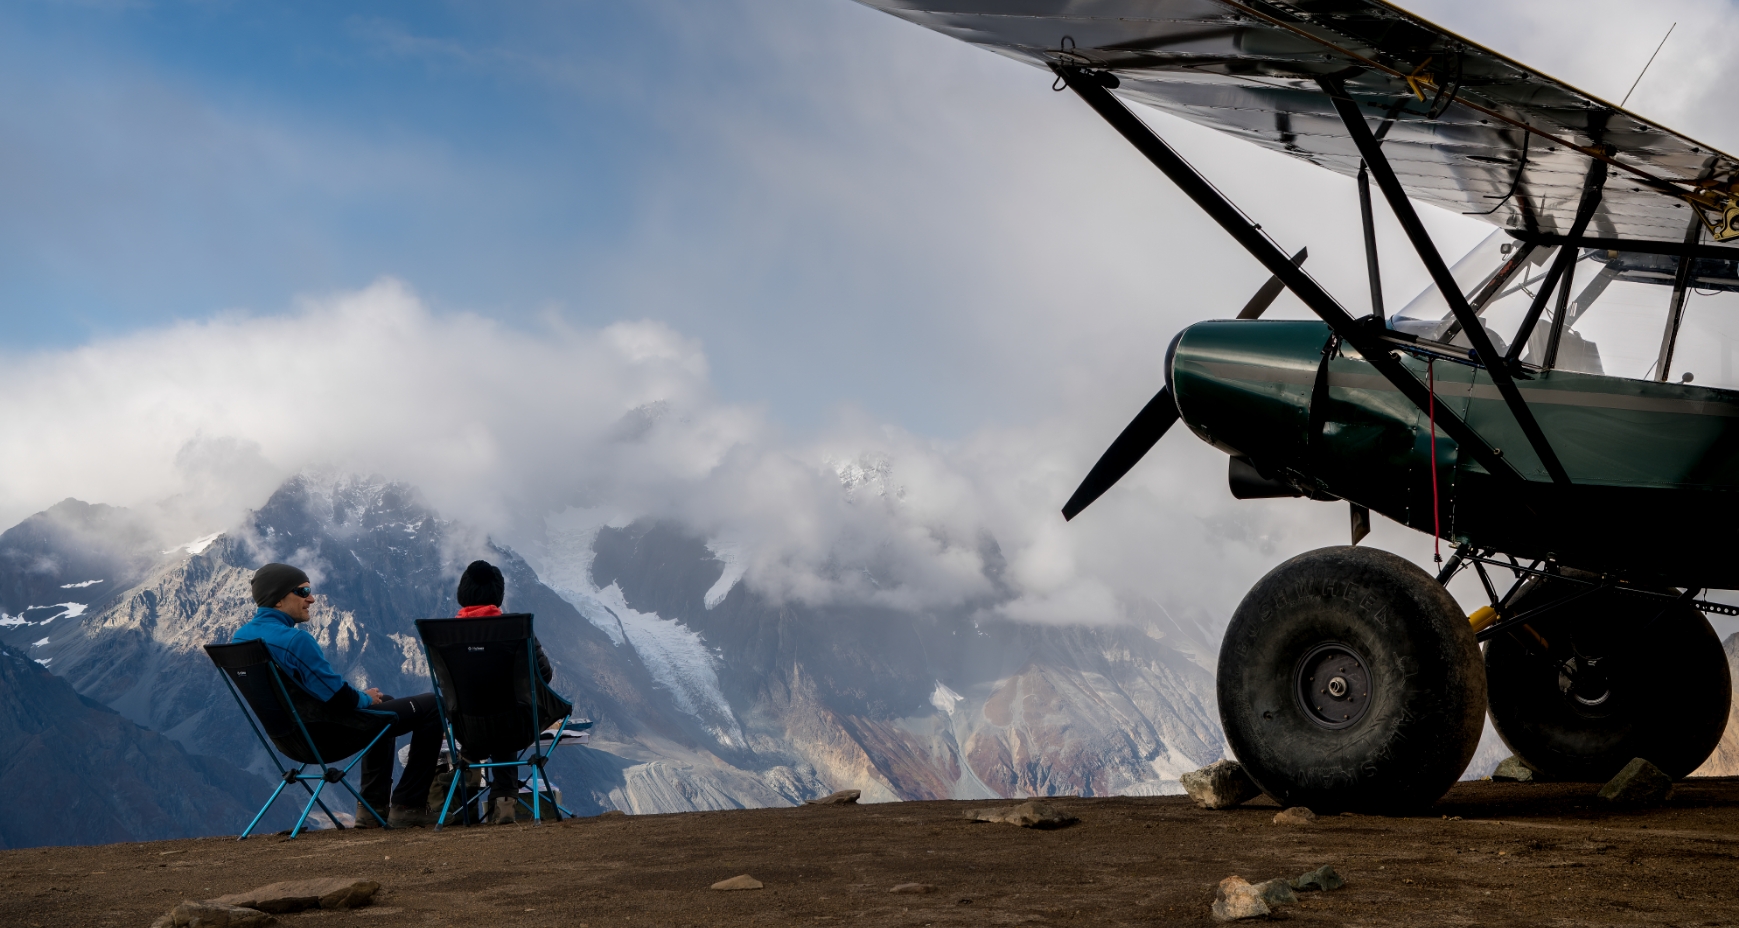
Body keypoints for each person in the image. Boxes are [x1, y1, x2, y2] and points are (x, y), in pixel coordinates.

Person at [232, 562, 442, 828]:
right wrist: (366, 698)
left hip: (286, 739)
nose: (312, 598)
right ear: (278, 600)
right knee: (435, 704)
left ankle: (372, 809)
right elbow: (339, 697)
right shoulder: (295, 641)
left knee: (385, 703)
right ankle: (408, 806)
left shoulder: (241, 639)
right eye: (303, 590)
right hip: (324, 739)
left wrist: (370, 699)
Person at [454, 559, 553, 824]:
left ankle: (464, 801)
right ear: (499, 595)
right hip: (512, 728)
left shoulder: (446, 634)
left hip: (466, 730)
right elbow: (545, 675)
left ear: (462, 593)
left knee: (490, 716)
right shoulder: (516, 630)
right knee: (508, 712)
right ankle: (505, 801)